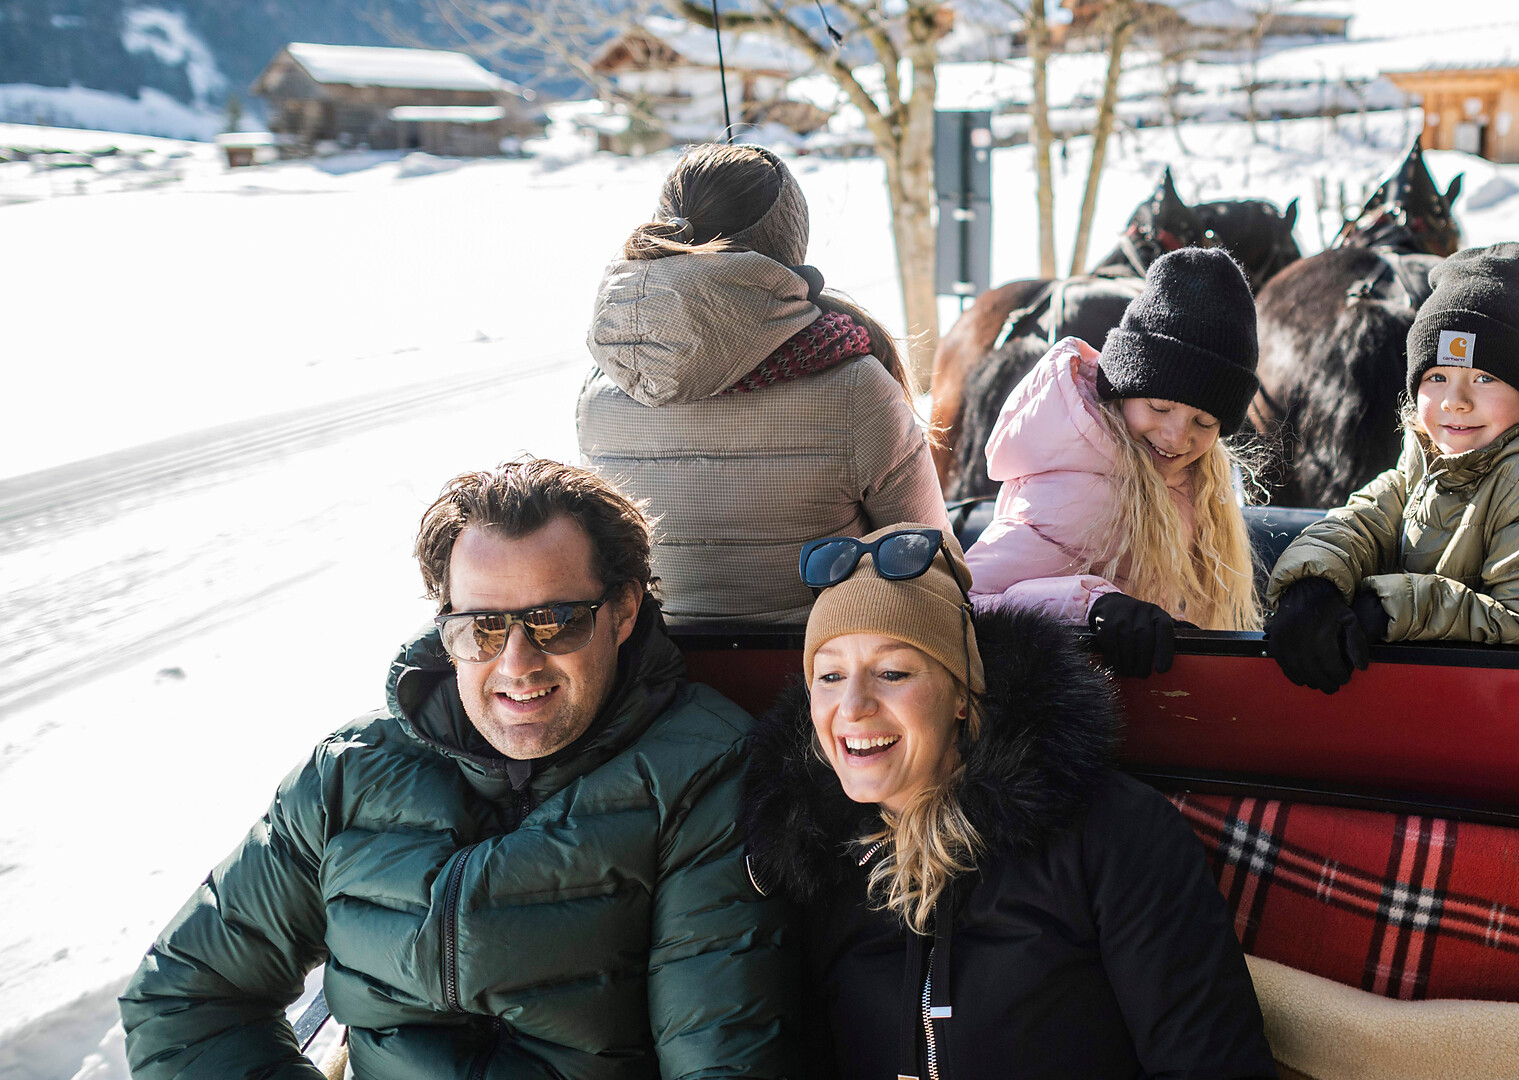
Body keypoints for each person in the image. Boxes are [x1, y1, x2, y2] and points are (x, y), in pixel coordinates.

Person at [119, 460, 800, 1079]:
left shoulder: (702, 772)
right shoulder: (349, 775)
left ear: (622, 611)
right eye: (482, 628)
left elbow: (720, 1059)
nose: (517, 664)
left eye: (555, 620)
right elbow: (187, 994)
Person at [742, 522, 1277, 1080]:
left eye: (892, 672)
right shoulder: (815, 863)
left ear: (960, 695)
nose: (851, 706)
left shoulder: (1113, 835)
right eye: (829, 676)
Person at [579, 142, 947, 625]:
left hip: (655, 677)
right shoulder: (855, 386)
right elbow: (929, 562)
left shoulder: (601, 388)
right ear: (791, 245)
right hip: (823, 681)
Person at [1264, 242, 1519, 693]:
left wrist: (1392, 607)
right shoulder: (1433, 458)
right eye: (1436, 377)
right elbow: (1364, 518)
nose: (1455, 400)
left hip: (1501, 728)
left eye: (1484, 378)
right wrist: (1314, 580)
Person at [963, 247, 1264, 677]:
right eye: (1159, 407)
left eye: (1204, 420)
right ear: (1123, 387)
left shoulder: (1195, 486)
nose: (1178, 437)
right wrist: (1092, 605)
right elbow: (963, 604)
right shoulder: (1071, 490)